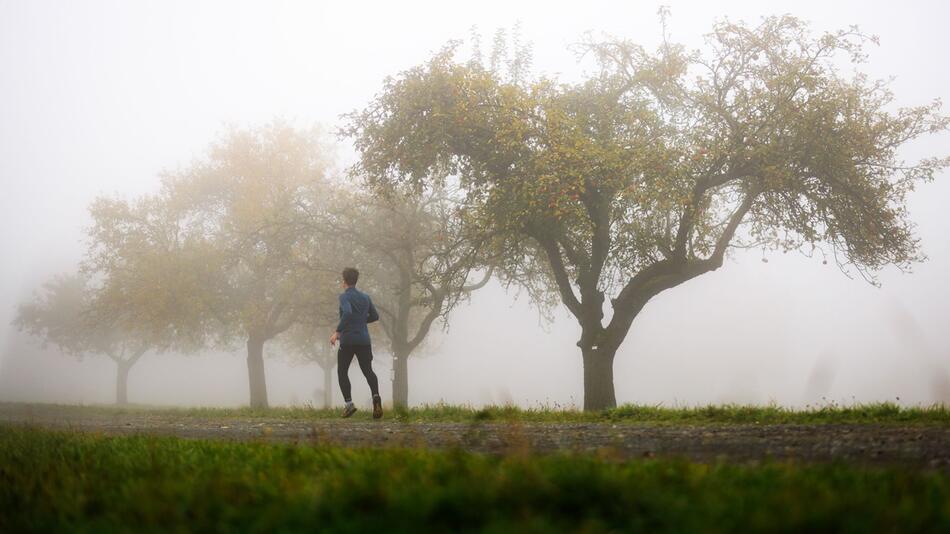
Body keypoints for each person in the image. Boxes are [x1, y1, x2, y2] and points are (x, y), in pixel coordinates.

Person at [329, 267, 383, 419]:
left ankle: (349, 404)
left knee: (342, 371)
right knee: (368, 371)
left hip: (348, 340)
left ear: (344, 281)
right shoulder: (365, 297)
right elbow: (375, 316)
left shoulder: (344, 297)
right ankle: (376, 398)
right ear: (356, 280)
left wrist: (337, 331)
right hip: (364, 340)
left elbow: (347, 313)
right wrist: (360, 322)